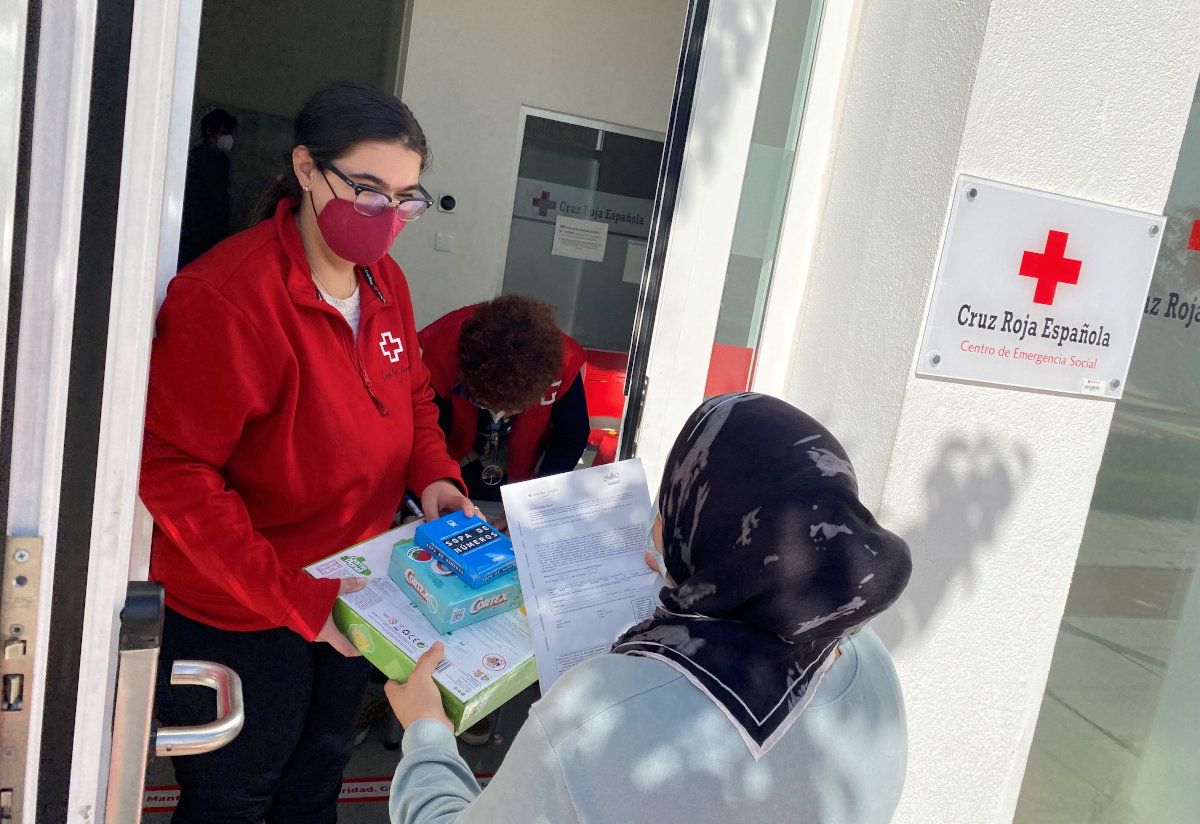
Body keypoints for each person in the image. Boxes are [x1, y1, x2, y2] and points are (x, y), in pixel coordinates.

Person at [140, 81, 476, 824]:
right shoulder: (229, 298)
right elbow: (172, 471)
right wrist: (294, 599)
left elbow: (415, 398)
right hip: (243, 607)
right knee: (235, 797)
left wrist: (438, 481)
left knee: (317, 779)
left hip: (357, 589)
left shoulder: (385, 282)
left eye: (406, 198)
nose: (387, 217)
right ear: (305, 167)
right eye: (366, 190)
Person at [385, 392, 914, 823]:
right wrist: (694, 589)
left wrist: (426, 731)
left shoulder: (596, 720)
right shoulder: (872, 667)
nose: (657, 522)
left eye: (676, 500)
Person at [418, 295, 590, 503]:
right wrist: (436, 482)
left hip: (520, 465)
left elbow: (570, 438)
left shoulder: (563, 361)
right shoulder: (443, 353)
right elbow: (424, 429)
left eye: (514, 409)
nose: (501, 416)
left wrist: (537, 502)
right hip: (454, 455)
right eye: (488, 405)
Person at [178, 107, 238, 268]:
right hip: (195, 231)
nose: (227, 137)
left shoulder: (223, 160)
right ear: (209, 132)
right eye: (223, 132)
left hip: (214, 231)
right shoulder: (195, 159)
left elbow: (221, 197)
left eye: (229, 133)